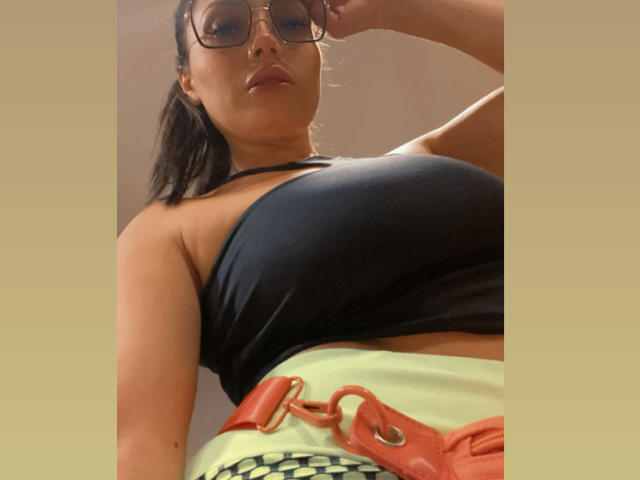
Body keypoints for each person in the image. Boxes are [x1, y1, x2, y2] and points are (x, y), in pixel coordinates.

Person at [117, 0, 504, 479]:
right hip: (319, 454)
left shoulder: (427, 161)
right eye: (225, 27)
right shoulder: (169, 227)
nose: (265, 41)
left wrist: (394, 8)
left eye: (291, 22)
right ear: (188, 81)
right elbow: (136, 444)